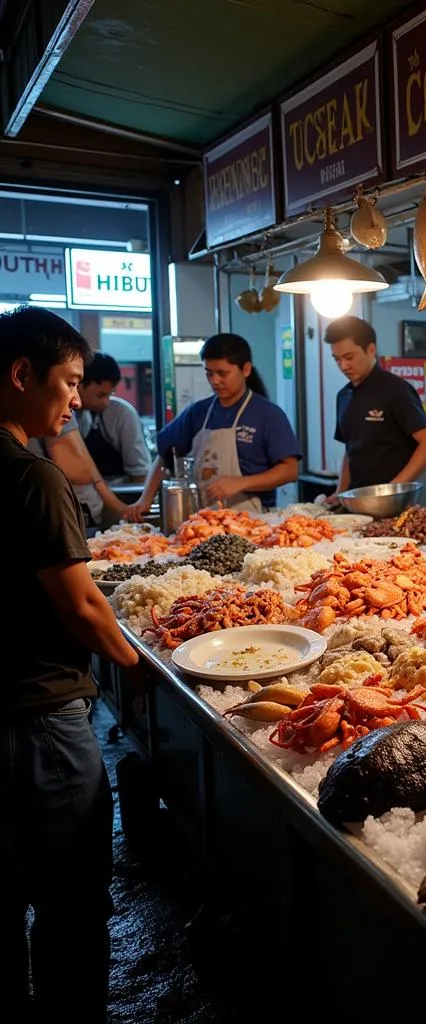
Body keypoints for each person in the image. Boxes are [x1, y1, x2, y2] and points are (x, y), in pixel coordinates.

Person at [0, 305, 141, 1023]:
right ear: (23, 375)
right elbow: (82, 608)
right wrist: (142, 668)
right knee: (72, 902)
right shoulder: (31, 475)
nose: (75, 400)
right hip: (41, 722)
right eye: (69, 383)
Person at [134, 333, 300, 514]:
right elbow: (164, 454)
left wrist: (241, 483)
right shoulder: (198, 413)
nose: (215, 380)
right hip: (203, 518)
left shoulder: (268, 414)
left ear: (246, 369)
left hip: (253, 519)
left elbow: (289, 470)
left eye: (222, 373)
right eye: (209, 373)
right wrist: (145, 500)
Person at [323, 315, 426, 497]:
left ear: (371, 350)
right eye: (337, 359)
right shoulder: (343, 396)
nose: (344, 366)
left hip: (394, 504)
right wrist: (340, 491)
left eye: (349, 357)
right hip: (356, 501)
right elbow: (351, 449)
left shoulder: (396, 390)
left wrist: (393, 489)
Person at [72, 352, 152, 527]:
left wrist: (130, 508)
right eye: (101, 395)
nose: (106, 402)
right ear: (80, 385)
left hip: (118, 499)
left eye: (110, 395)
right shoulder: (71, 414)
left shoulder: (121, 414)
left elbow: (140, 473)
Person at [30, 411, 135, 527]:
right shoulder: (54, 401)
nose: (77, 402)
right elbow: (75, 468)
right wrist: (122, 508)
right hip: (54, 512)